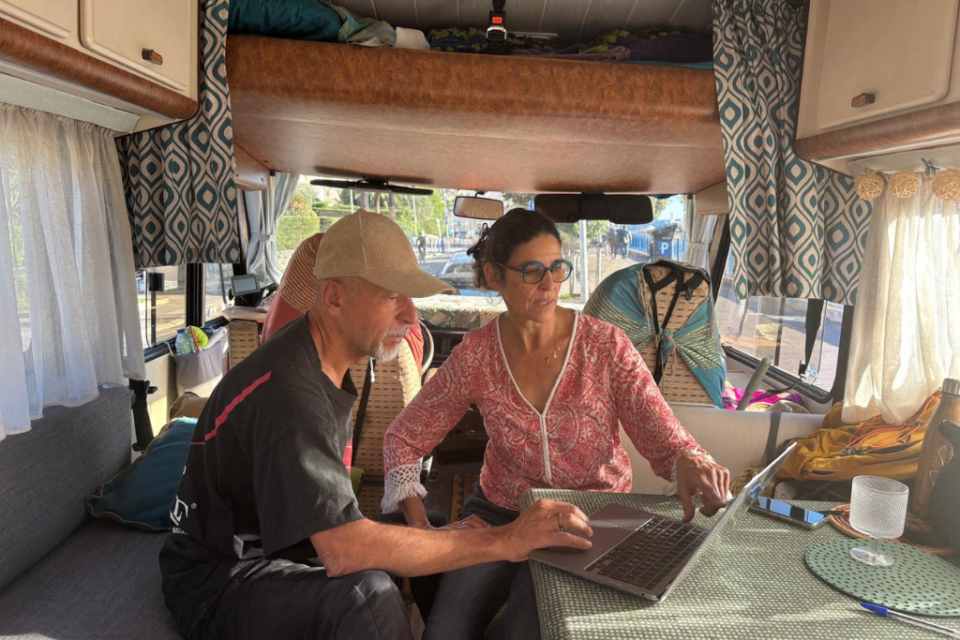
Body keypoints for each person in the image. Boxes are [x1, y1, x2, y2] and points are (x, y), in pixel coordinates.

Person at [159, 210, 595, 640]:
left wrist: (446, 538)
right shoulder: (291, 394)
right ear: (334, 298)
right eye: (392, 297)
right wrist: (506, 539)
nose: (411, 316)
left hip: (281, 546)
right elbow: (342, 550)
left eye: (410, 298)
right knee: (368, 596)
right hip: (221, 580)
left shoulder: (315, 359)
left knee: (427, 525)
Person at [382, 208, 730, 640]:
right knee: (444, 632)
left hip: (590, 517)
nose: (549, 284)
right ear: (494, 276)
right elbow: (404, 436)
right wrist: (421, 532)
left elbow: (662, 433)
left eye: (557, 268)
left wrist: (689, 459)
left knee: (525, 630)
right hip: (498, 514)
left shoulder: (606, 346)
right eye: (532, 271)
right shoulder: (476, 355)